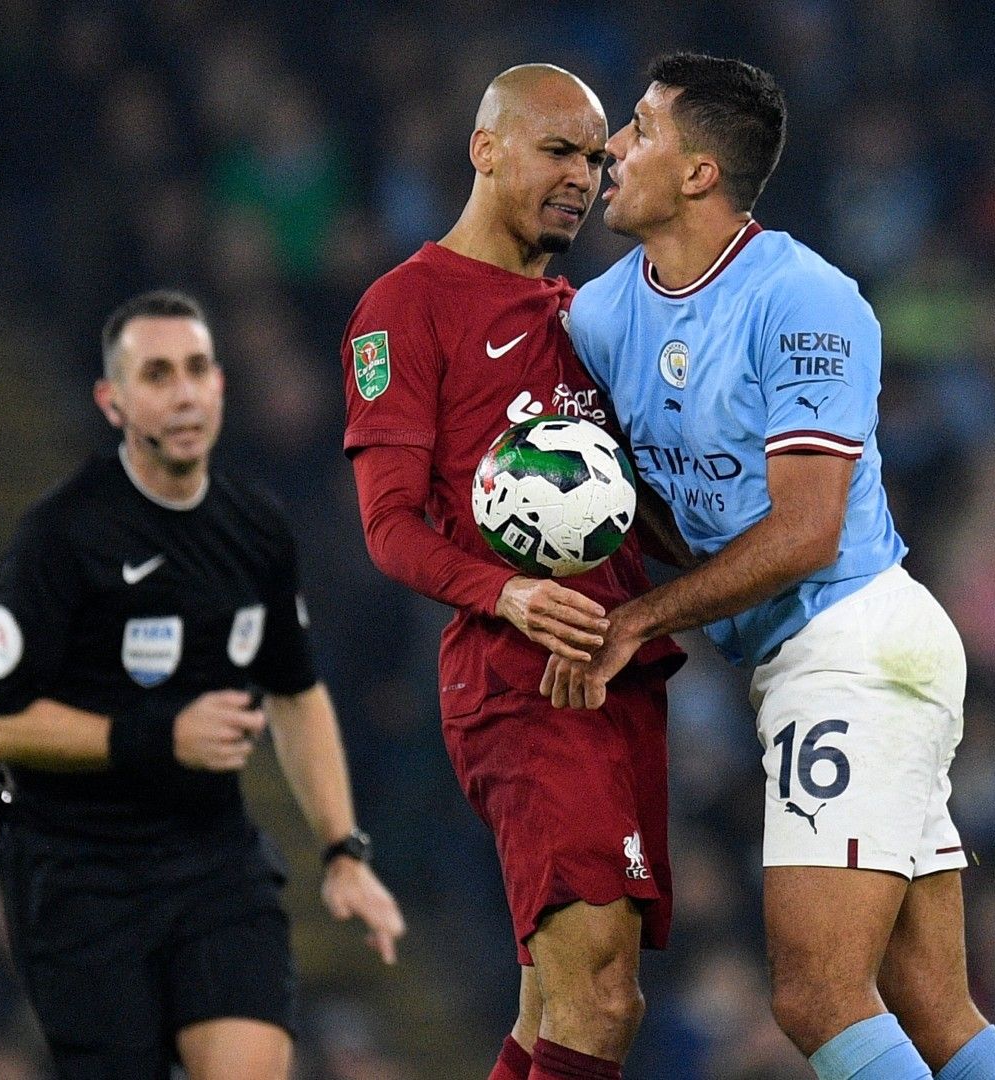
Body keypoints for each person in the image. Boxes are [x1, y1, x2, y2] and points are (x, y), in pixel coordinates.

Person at [558, 55, 995, 1080]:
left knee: (816, 995)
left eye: (639, 130)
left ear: (696, 173)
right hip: (810, 664)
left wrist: (644, 619)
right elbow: (627, 495)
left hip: (857, 643)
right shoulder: (600, 317)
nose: (613, 149)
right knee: (933, 1007)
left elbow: (807, 531)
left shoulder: (809, 302)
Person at [341, 64, 684, 1080]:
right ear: (486, 150)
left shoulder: (585, 315)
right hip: (517, 682)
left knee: (560, 1009)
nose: (584, 175)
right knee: (600, 1000)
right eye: (558, 151)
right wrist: (513, 594)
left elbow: (640, 509)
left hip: (617, 673)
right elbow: (390, 529)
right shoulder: (403, 306)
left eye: (594, 156)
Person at [0, 290, 404, 1080]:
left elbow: (296, 694)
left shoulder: (255, 528)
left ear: (221, 387)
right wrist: (158, 736)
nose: (182, 392)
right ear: (113, 402)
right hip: (78, 873)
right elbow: (0, 725)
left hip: (211, 861)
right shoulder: (61, 537)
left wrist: (343, 851)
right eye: (157, 374)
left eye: (197, 369)